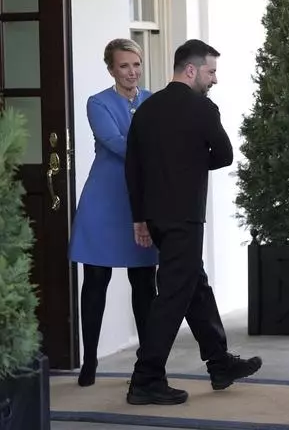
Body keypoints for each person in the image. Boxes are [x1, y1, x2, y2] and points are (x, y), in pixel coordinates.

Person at [124, 39, 263, 405]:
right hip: (185, 215)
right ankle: (145, 378)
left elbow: (132, 169)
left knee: (192, 285)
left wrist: (139, 217)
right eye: (211, 71)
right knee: (172, 296)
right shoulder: (203, 109)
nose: (214, 79)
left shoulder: (146, 109)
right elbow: (225, 154)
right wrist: (193, 161)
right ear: (191, 69)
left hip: (155, 215)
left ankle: (219, 363)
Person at [69, 38, 158, 388]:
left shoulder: (153, 101)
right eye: (124, 66)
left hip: (140, 201)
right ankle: (89, 360)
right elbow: (116, 143)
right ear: (111, 69)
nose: (132, 72)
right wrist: (157, 153)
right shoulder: (98, 103)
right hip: (105, 202)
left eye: (136, 64)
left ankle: (146, 362)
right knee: (95, 283)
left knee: (143, 283)